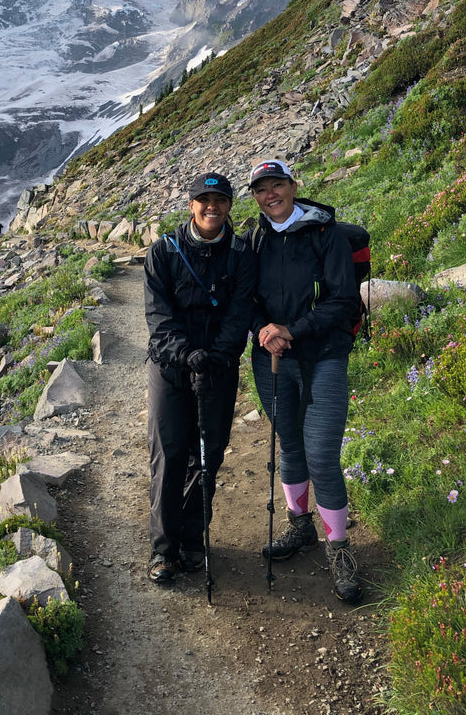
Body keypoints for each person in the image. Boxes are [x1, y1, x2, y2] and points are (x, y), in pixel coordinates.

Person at [247, 158, 363, 603]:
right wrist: (263, 330)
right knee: (290, 445)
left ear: (294, 187)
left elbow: (344, 301)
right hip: (271, 359)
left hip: (323, 358)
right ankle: (301, 529)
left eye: (277, 185)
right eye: (261, 189)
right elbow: (246, 299)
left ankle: (339, 548)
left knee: (321, 454)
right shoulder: (254, 241)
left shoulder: (325, 234)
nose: (270, 194)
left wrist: (291, 330)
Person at [144, 171, 257, 583]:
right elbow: (158, 320)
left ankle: (193, 540)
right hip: (170, 370)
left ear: (229, 206)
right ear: (191, 205)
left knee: (208, 458)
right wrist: (188, 355)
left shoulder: (242, 255)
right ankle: (163, 551)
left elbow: (240, 311)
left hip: (217, 370)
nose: (212, 207)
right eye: (204, 199)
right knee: (169, 456)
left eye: (220, 200)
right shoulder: (163, 252)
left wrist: (217, 357)